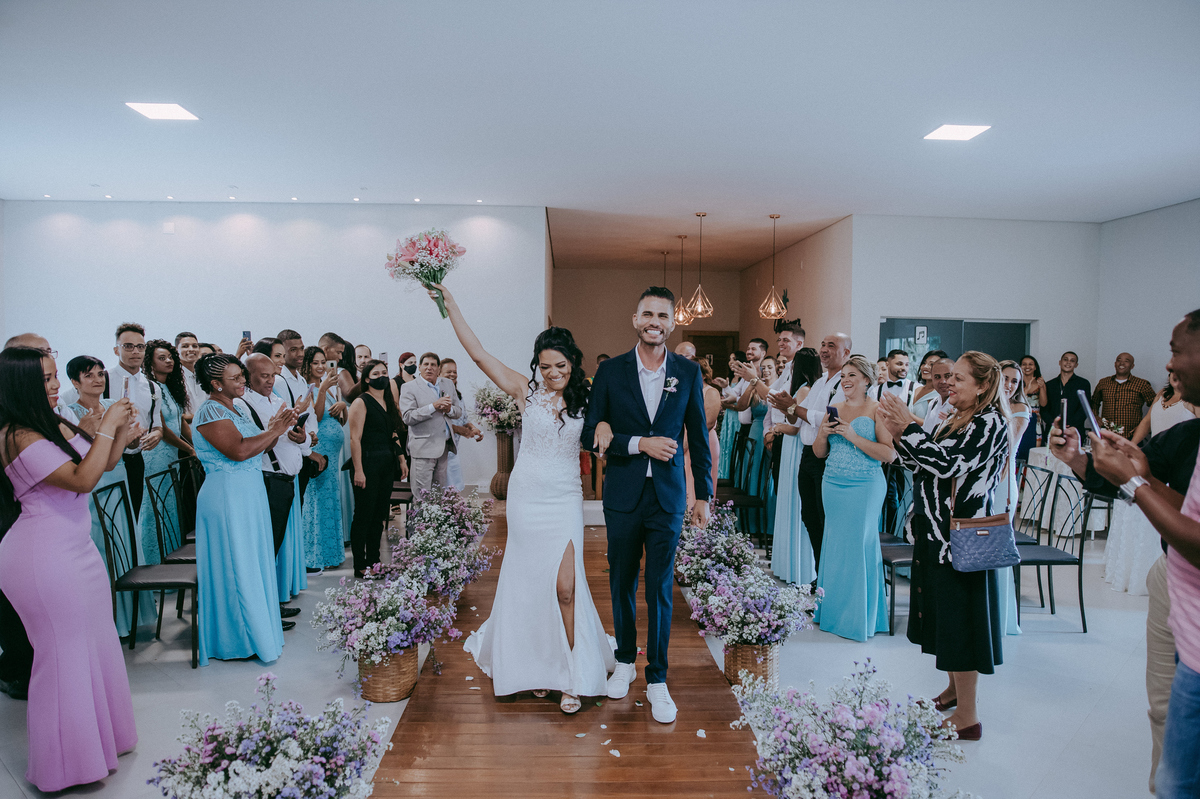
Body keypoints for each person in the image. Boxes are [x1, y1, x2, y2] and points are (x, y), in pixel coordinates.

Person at [434, 284, 614, 714]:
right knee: (530, 583)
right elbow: (478, 354)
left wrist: (605, 426)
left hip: (564, 498)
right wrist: (450, 304)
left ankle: (572, 674)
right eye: (545, 366)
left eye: (560, 366)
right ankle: (535, 668)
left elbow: (606, 425)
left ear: (573, 363)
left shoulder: (589, 398)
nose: (552, 373)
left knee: (566, 588)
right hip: (526, 496)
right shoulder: (524, 390)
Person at [1050, 311, 1200, 795]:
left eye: (1176, 352)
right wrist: (1081, 460)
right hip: (1173, 581)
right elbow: (1159, 490)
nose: (1169, 366)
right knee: (1164, 709)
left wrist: (1136, 482)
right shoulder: (1189, 435)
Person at [0, 346, 138, 792]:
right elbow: (82, 479)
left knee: (96, 645)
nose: (55, 385)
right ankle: (64, 766)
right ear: (20, 385)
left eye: (55, 375)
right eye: (45, 379)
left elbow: (104, 463)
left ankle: (101, 744)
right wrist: (106, 427)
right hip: (42, 557)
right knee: (62, 656)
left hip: (76, 549)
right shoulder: (17, 435)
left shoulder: (51, 422)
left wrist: (119, 430)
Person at [583, 286, 712, 725]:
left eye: (663, 315)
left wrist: (703, 495)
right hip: (623, 494)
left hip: (668, 497)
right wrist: (639, 443)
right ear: (635, 320)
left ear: (672, 323)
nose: (655, 322)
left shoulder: (688, 372)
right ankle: (624, 661)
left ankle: (657, 677)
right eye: (648, 314)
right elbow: (591, 433)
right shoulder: (611, 371)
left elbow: (698, 435)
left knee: (659, 588)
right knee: (621, 580)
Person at [877, 352, 1011, 742]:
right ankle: (954, 691)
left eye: (959, 378)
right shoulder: (956, 417)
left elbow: (947, 464)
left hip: (960, 540)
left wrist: (909, 426)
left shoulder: (989, 424)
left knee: (960, 625)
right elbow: (920, 463)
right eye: (949, 377)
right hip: (935, 534)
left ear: (983, 386)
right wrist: (899, 432)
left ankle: (968, 717)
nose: (949, 383)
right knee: (945, 621)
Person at [191, 353, 296, 664]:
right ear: (216, 384)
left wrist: (275, 429)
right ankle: (238, 639)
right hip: (227, 497)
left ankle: (257, 632)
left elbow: (261, 446)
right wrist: (273, 430)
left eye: (241, 375)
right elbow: (237, 451)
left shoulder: (236, 407)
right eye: (235, 378)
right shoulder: (210, 411)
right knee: (236, 565)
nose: (242, 382)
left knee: (252, 562)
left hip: (248, 494)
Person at [66, 355, 157, 638]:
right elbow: (82, 457)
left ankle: (131, 616)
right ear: (75, 382)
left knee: (125, 542)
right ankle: (109, 621)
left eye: (100, 374)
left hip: (118, 476)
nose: (97, 379)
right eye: (89, 375)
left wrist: (133, 436)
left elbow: (120, 450)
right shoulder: (70, 414)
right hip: (94, 483)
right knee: (103, 547)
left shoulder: (112, 406)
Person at [812, 354, 894, 641]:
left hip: (865, 486)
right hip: (832, 483)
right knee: (835, 546)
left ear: (867, 381)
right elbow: (819, 453)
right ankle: (832, 613)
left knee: (859, 545)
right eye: (844, 376)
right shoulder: (833, 408)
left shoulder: (878, 409)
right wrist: (822, 434)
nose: (845, 380)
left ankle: (858, 618)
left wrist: (853, 436)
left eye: (852, 376)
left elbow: (888, 454)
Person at [240, 354, 308, 618]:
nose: (270, 381)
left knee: (274, 547)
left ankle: (270, 603)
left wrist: (300, 436)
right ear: (248, 376)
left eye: (273, 375)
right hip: (268, 481)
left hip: (286, 481)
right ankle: (264, 610)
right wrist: (274, 430)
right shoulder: (244, 405)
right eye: (264, 376)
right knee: (265, 548)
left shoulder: (278, 401)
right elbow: (253, 446)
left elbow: (295, 442)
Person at [783, 333, 851, 573]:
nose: (824, 349)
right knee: (809, 516)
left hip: (827, 456)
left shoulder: (844, 384)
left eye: (831, 346)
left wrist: (794, 408)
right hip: (807, 455)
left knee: (824, 517)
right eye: (822, 344)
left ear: (846, 353)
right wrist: (788, 407)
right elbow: (798, 416)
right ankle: (821, 571)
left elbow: (828, 418)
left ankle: (829, 574)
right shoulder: (821, 382)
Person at [138, 339, 193, 564]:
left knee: (169, 506)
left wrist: (196, 446)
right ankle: (154, 562)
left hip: (171, 455)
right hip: (156, 454)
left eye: (170, 357)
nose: (169, 361)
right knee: (155, 507)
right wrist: (189, 450)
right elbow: (163, 429)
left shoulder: (169, 386)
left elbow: (180, 422)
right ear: (150, 363)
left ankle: (171, 558)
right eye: (162, 358)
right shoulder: (150, 388)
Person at [348, 359, 403, 577]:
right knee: (364, 516)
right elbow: (355, 439)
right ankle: (360, 565)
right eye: (376, 374)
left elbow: (393, 433)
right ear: (367, 379)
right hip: (367, 465)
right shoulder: (361, 402)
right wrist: (358, 470)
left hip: (385, 465)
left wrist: (401, 459)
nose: (381, 377)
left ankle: (374, 561)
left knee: (379, 516)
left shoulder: (388, 401)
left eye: (384, 372)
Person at [769, 347, 820, 584]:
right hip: (791, 447)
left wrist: (779, 425)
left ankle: (800, 568)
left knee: (795, 503)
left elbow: (796, 425)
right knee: (788, 500)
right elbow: (793, 417)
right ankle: (788, 565)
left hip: (796, 447)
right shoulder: (804, 388)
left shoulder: (805, 389)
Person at [108, 323, 163, 518]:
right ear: (116, 350)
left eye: (140, 347)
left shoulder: (152, 387)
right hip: (109, 460)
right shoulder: (103, 380)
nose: (135, 351)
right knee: (112, 518)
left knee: (135, 516)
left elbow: (157, 424)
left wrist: (157, 434)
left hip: (137, 459)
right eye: (128, 346)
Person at [300, 346, 346, 572]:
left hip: (333, 453)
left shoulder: (326, 389)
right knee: (318, 499)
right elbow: (315, 418)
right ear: (307, 365)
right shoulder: (308, 389)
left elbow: (339, 420)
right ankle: (314, 555)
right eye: (315, 362)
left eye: (322, 362)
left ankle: (331, 553)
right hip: (320, 450)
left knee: (330, 499)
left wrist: (342, 406)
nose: (320, 366)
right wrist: (323, 389)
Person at [993, 360, 1029, 636]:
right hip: (984, 479)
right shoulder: (987, 405)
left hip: (1002, 481)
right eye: (1005, 378)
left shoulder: (1019, 409)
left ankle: (1001, 617)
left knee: (997, 546)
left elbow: (1007, 448)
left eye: (1014, 381)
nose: (1009, 385)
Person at [399, 352, 465, 499]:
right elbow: (408, 417)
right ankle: (419, 516)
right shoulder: (409, 387)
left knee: (438, 494)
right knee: (422, 495)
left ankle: (436, 515)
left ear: (438, 368)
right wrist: (433, 406)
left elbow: (458, 412)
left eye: (433, 365)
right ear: (419, 367)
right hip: (422, 448)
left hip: (443, 447)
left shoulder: (447, 384)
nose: (429, 368)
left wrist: (449, 409)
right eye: (426, 364)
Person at [440, 358, 483, 491]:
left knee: (455, 488)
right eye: (448, 372)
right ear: (439, 374)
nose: (452, 374)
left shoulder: (458, 395)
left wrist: (473, 429)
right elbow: (439, 422)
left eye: (455, 371)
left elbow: (464, 419)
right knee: (444, 489)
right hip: (442, 450)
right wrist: (461, 431)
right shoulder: (438, 394)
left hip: (454, 449)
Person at [1091, 352, 1156, 439]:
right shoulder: (1103, 382)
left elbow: (1155, 406)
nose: (1122, 363)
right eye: (1119, 360)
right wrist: (1095, 417)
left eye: (1126, 361)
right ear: (1115, 364)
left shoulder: (1142, 384)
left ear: (1132, 366)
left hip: (1132, 436)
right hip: (1106, 434)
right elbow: (1094, 402)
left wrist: (1144, 426)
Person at [1044, 351, 1091, 437]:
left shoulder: (1083, 383)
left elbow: (1084, 408)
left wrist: (1070, 424)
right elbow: (1044, 409)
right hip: (1053, 430)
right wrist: (1054, 423)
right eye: (1065, 359)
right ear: (1060, 362)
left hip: (1075, 431)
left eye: (1072, 360)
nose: (1068, 362)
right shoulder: (1049, 384)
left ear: (1076, 365)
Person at [716, 350, 747, 480]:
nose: (731, 362)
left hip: (737, 414)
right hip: (729, 414)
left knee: (733, 442)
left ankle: (732, 473)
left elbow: (736, 398)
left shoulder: (744, 379)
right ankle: (724, 472)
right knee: (725, 441)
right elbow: (729, 395)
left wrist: (727, 402)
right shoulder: (730, 376)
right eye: (730, 359)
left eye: (734, 359)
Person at [1018, 355, 1046, 459]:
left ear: (1035, 367)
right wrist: (1026, 389)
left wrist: (1042, 387)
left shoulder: (1040, 382)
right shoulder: (1016, 382)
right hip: (1019, 419)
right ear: (1020, 366)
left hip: (1035, 422)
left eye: (1030, 364)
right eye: (1024, 364)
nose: (1027, 366)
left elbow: (1043, 403)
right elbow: (1016, 402)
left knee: (1033, 453)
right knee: (1018, 450)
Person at [911, 350, 951, 424]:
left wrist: (907, 415)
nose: (925, 367)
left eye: (931, 364)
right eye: (924, 363)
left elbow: (933, 424)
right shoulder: (916, 389)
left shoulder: (941, 395)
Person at [175, 332, 207, 422]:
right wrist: (205, 417)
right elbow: (175, 415)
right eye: (185, 346)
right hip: (186, 429)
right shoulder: (173, 377)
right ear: (176, 350)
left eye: (194, 346)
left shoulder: (203, 375)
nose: (191, 349)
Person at [920, 358, 956, 434]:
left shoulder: (961, 405)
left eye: (948, 376)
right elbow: (925, 431)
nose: (943, 381)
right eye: (937, 377)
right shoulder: (933, 403)